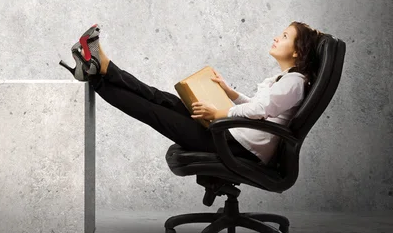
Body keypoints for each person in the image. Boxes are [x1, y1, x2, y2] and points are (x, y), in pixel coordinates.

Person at [59, 22, 323, 165]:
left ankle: (96, 78)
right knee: (161, 98)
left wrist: (219, 112)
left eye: (285, 36)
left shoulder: (294, 83)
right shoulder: (284, 79)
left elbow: (258, 112)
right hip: (232, 134)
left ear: (297, 52)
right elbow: (261, 108)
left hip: (236, 147)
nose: (277, 38)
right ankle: (104, 67)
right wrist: (230, 93)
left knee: (155, 112)